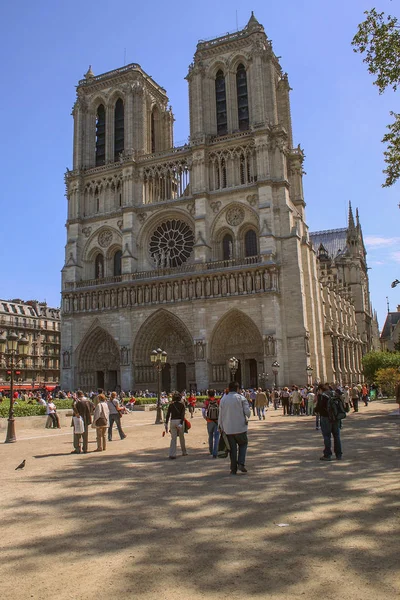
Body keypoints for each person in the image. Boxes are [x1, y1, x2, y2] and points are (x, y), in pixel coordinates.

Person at [218, 381, 251, 475]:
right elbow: (248, 412)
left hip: (228, 429)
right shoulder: (241, 398)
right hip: (240, 427)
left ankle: (233, 469)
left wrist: (220, 426)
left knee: (232, 449)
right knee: (243, 444)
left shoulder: (223, 399)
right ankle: (241, 463)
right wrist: (246, 417)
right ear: (237, 389)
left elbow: (220, 414)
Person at [315, 383, 343, 461]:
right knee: (336, 436)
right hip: (336, 418)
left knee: (327, 436)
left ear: (320, 389)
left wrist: (315, 410)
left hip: (326, 418)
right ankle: (339, 454)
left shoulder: (322, 396)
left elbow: (319, 408)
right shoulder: (334, 393)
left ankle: (327, 454)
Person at [165, 391, 187, 459]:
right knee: (181, 437)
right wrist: (180, 424)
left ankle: (172, 454)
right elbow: (182, 415)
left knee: (173, 438)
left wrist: (166, 423)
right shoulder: (182, 405)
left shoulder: (171, 405)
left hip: (172, 421)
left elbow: (168, 414)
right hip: (179, 421)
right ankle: (184, 452)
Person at [202, 389, 220, 458]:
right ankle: (215, 452)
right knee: (217, 436)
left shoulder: (206, 401)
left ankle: (211, 450)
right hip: (217, 421)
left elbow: (203, 410)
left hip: (209, 421)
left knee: (210, 436)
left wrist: (205, 417)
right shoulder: (218, 401)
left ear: (208, 394)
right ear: (215, 394)